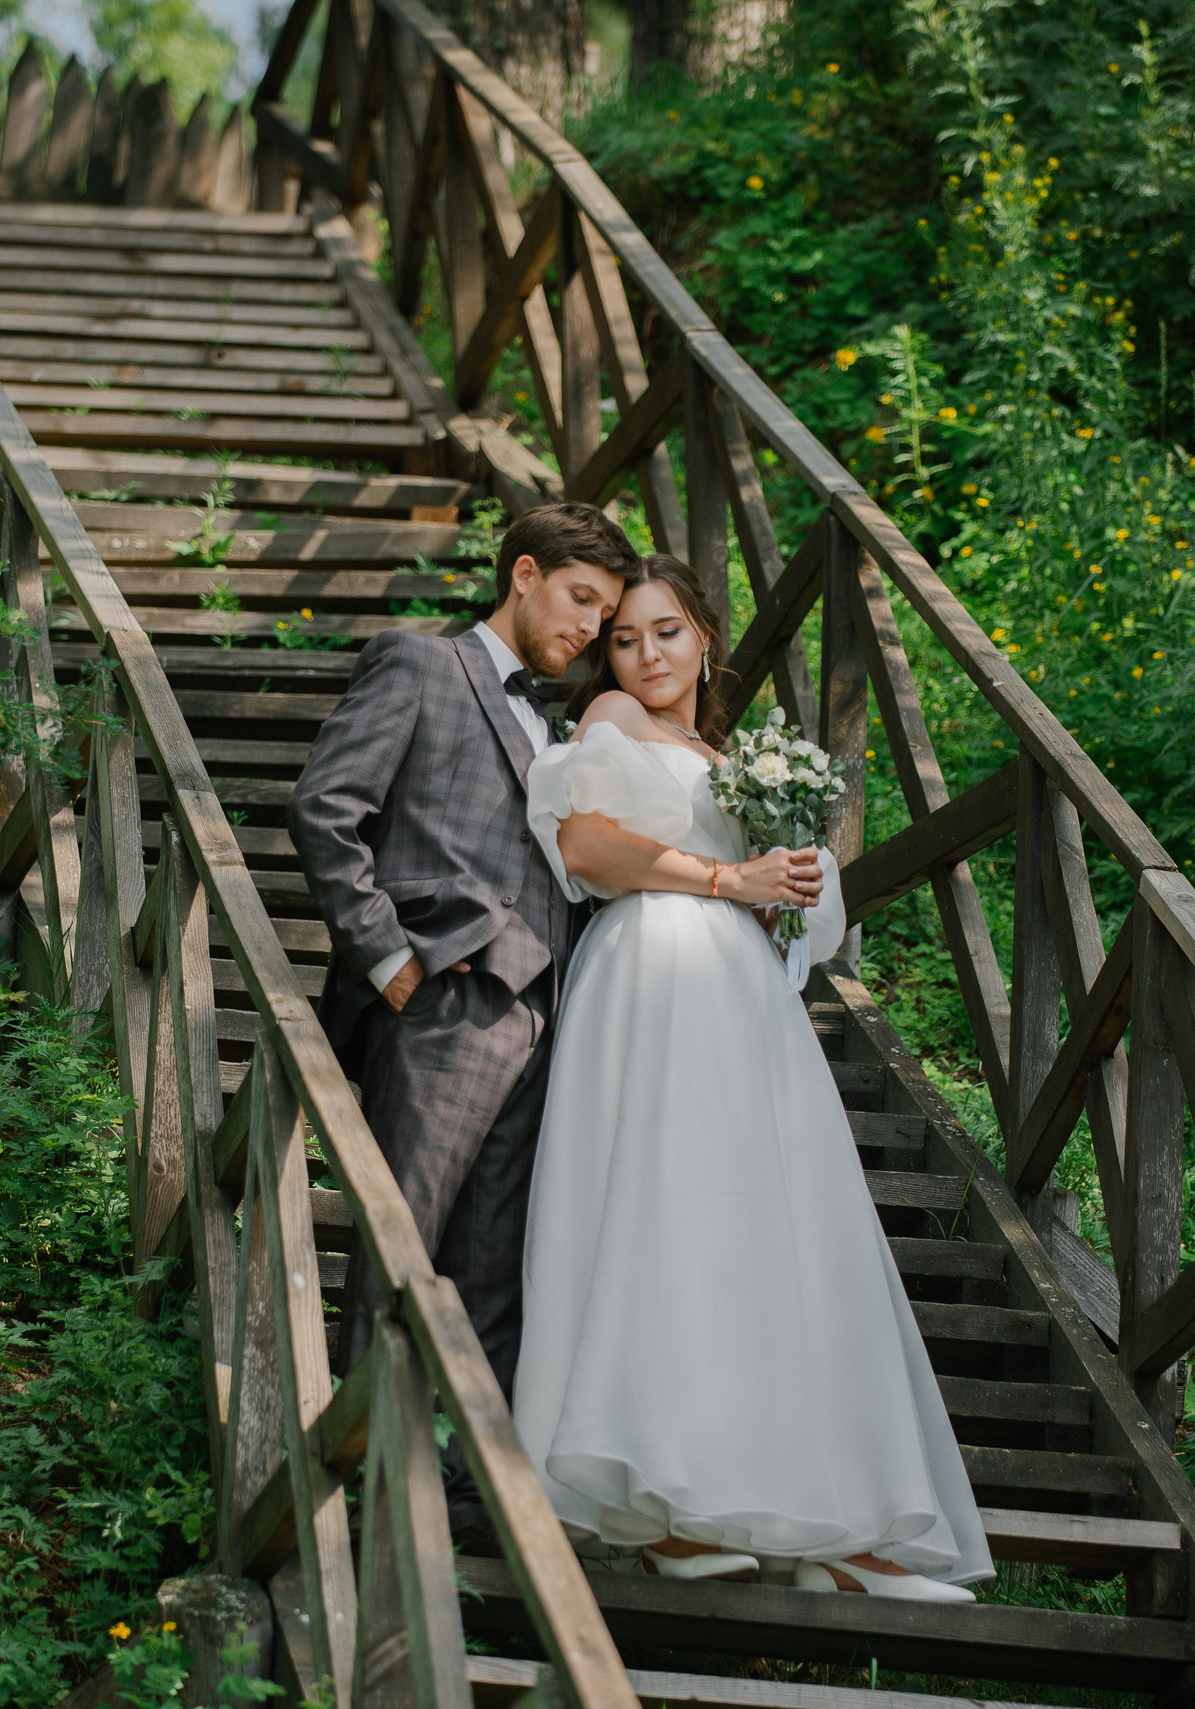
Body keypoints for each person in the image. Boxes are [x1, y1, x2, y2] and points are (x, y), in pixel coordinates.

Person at [513, 556, 993, 1601]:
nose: (643, 654)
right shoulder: (609, 718)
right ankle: (655, 1506)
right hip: (650, 975)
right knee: (665, 1216)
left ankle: (841, 1532)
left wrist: (793, 880)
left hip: (742, 1000)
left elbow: (805, 917)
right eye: (626, 636)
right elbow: (590, 844)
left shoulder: (730, 753)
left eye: (665, 632)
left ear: (704, 637)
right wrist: (730, 876)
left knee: (773, 1233)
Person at [287, 503, 640, 1544]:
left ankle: (468, 1485)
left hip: (548, 1012)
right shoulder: (418, 665)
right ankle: (359, 1472)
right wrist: (386, 954)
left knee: (495, 1259)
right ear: (524, 573)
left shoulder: (570, 724)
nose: (589, 627)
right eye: (581, 599)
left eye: (608, 612)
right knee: (409, 1232)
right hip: (444, 997)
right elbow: (325, 806)